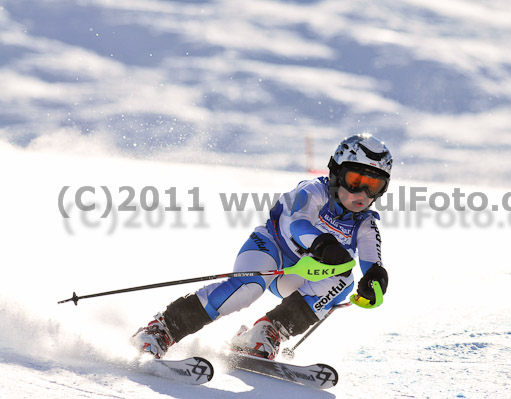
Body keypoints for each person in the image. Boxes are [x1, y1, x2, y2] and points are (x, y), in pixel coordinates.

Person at [132, 133, 392, 360]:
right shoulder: (313, 192)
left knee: (344, 279)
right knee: (249, 287)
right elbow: (297, 225)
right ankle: (162, 328)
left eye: (374, 187)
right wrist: (323, 244)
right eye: (356, 181)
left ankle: (266, 332)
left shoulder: (365, 223)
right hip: (270, 249)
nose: (363, 195)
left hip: (299, 276)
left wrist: (374, 278)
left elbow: (372, 259)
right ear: (336, 173)